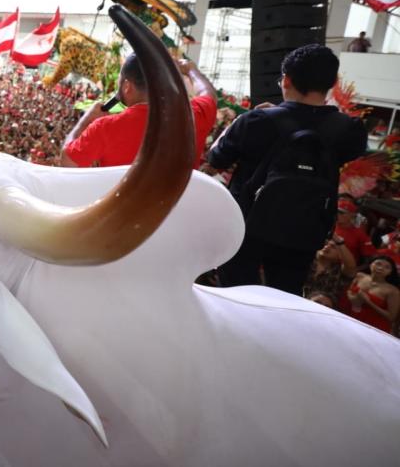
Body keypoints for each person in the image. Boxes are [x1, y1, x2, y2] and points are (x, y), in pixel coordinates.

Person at [207, 45, 368, 294]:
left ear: (287, 80)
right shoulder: (349, 130)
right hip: (304, 232)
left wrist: (240, 121)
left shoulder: (257, 121)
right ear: (333, 82)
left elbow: (216, 158)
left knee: (234, 297)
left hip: (247, 226)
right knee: (284, 299)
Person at [60, 55, 217, 167]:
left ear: (127, 86)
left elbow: (67, 162)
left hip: (125, 213)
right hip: (178, 212)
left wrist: (85, 120)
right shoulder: (195, 116)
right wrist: (191, 70)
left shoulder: (105, 127)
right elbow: (208, 93)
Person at [344, 256, 400, 333]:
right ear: (371, 264)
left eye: (387, 267)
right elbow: (349, 291)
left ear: (390, 272)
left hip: (374, 328)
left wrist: (369, 302)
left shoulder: (393, 291)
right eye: (378, 264)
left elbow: (391, 317)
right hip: (351, 318)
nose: (380, 268)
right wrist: (353, 299)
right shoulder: (360, 276)